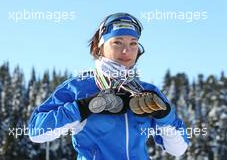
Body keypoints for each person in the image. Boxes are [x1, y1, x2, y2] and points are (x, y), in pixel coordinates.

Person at [28, 12, 189, 160]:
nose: (126, 50)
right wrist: (85, 106)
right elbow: (36, 131)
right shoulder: (78, 87)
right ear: (100, 46)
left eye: (133, 43)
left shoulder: (147, 92)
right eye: (117, 42)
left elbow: (178, 149)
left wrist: (164, 115)